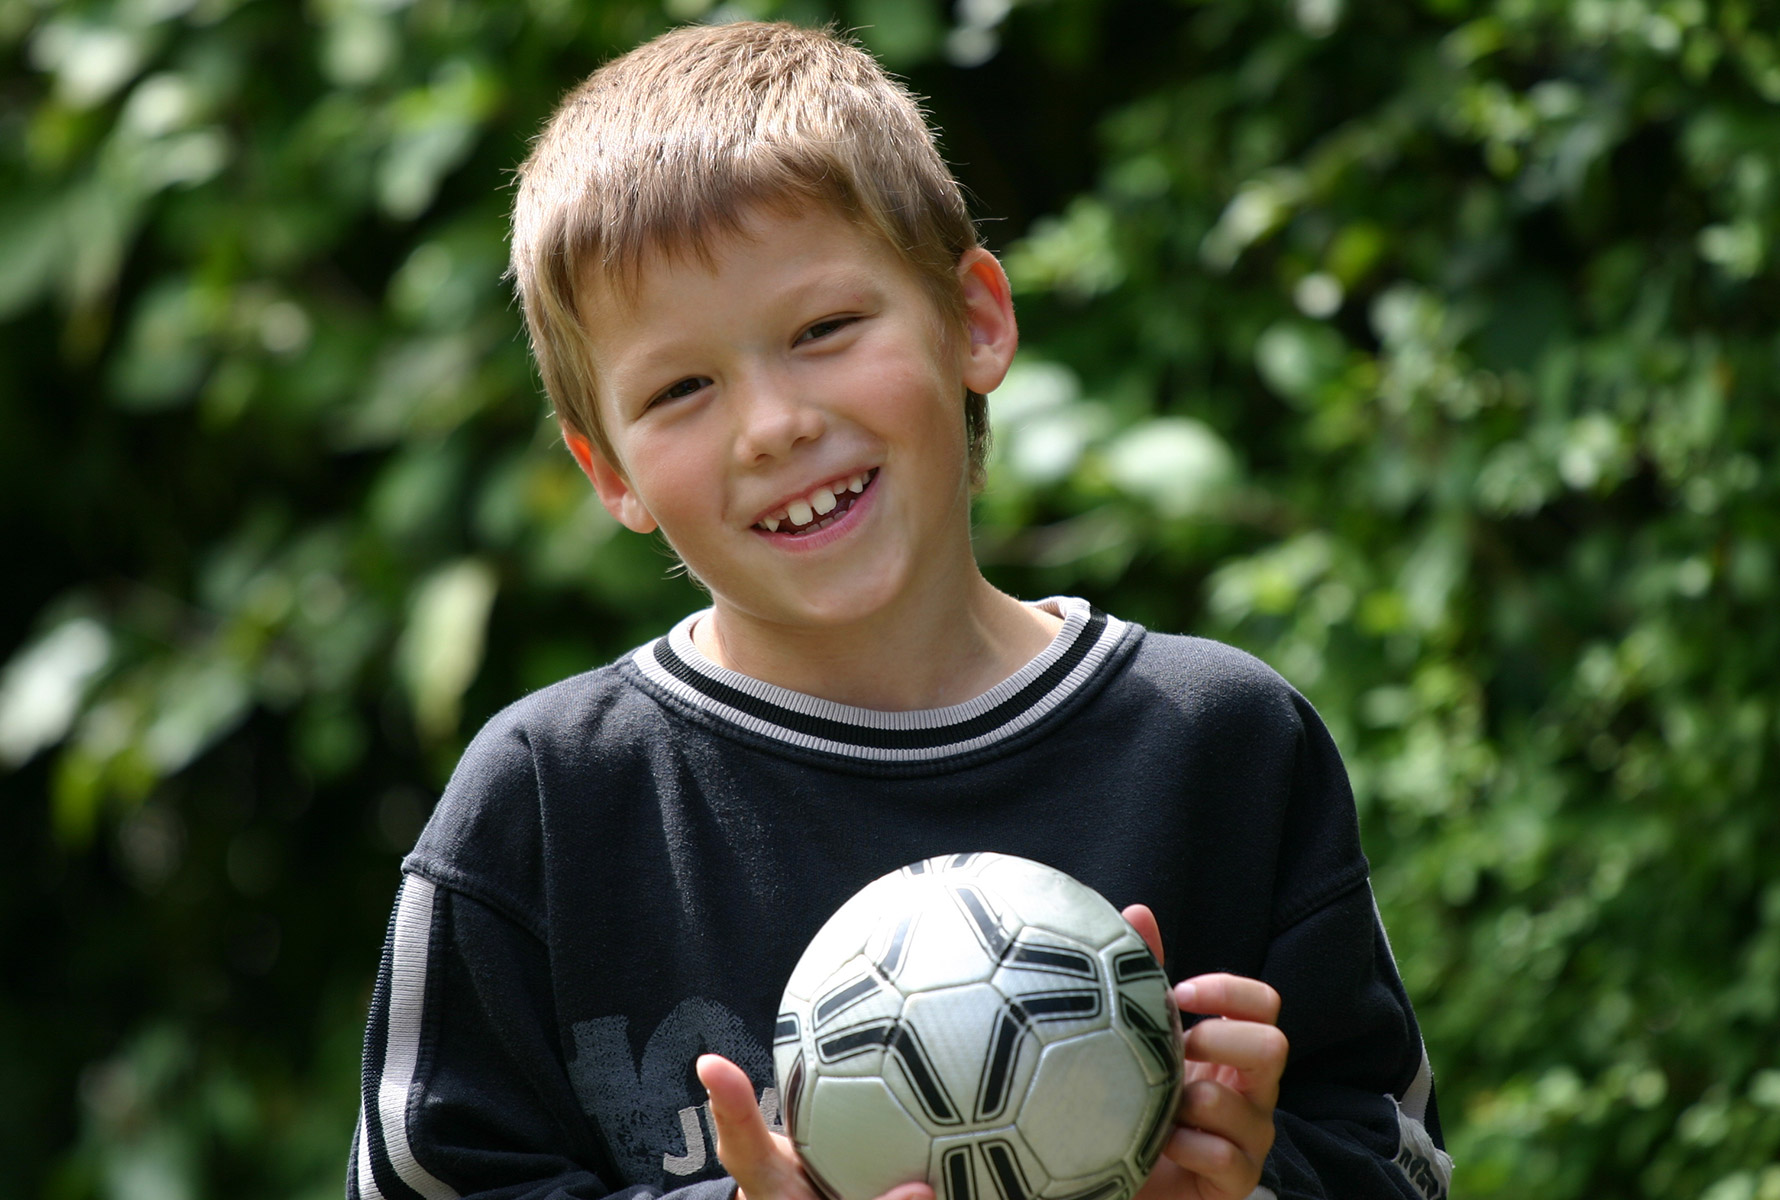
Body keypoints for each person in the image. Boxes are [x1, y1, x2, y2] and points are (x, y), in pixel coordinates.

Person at [348, 21, 1451, 1200]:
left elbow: (1401, 1154)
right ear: (606, 470)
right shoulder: (548, 805)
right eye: (680, 389)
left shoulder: (1221, 744)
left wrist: (1257, 1173)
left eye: (823, 330)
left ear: (973, 318)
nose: (772, 425)